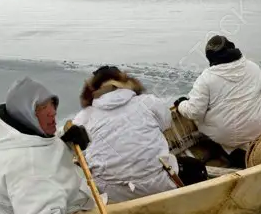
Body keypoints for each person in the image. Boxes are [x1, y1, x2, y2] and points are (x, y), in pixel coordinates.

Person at [0, 76, 131, 214]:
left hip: (34, 209)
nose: (51, 112)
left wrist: (65, 140)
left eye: (51, 104)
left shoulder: (13, 136)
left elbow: (41, 148)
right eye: (40, 108)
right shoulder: (28, 166)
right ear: (26, 113)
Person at [72, 66, 180, 203]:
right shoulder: (147, 102)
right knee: (193, 167)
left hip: (114, 197)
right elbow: (167, 123)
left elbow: (72, 147)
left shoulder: (82, 118)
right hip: (160, 186)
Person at [174, 35, 261, 166]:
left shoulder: (206, 78)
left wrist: (181, 104)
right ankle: (252, 148)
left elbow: (194, 112)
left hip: (225, 135)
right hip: (259, 128)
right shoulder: (253, 67)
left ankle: (229, 153)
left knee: (206, 118)